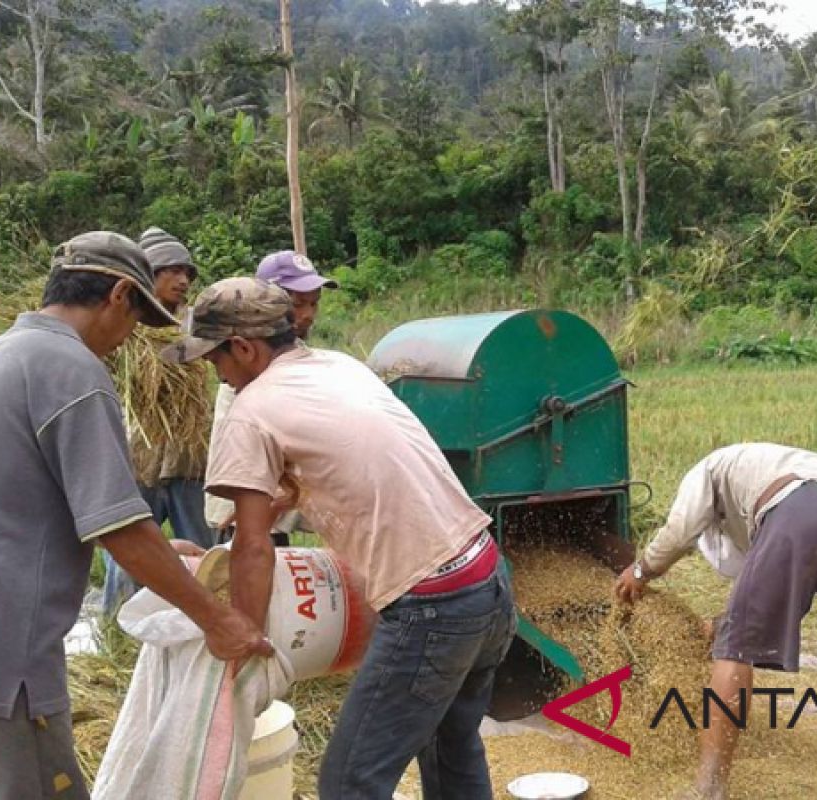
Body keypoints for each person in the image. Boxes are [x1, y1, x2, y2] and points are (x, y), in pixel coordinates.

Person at [164, 277, 515, 800]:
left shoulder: (251, 409)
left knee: (350, 782)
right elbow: (353, 459)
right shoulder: (339, 365)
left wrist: (241, 638)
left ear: (243, 347)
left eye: (217, 361)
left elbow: (255, 547)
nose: (221, 375)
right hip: (488, 576)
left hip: (432, 606)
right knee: (450, 745)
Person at [0, 233, 273, 800]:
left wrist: (171, 559)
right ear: (119, 294)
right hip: (5, 656)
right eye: (135, 319)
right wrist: (218, 619)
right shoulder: (73, 371)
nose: (127, 339)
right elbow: (119, 528)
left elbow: (21, 502)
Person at [614, 443, 817, 798]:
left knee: (734, 649)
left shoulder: (706, 472)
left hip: (801, 510)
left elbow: (679, 532)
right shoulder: (764, 466)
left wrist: (641, 570)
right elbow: (772, 585)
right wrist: (729, 617)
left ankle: (710, 787)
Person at [101, 227, 215, 614]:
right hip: (138, 460)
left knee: (203, 553)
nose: (182, 280)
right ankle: (119, 629)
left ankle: (205, 624)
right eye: (171, 270)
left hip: (189, 461)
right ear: (145, 274)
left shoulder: (199, 325)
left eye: (187, 272)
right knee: (129, 553)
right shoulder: (122, 324)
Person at [203, 250, 338, 544]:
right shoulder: (247, 365)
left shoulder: (292, 356)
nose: (308, 315)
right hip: (249, 508)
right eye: (298, 303)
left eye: (314, 304)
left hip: (275, 507)